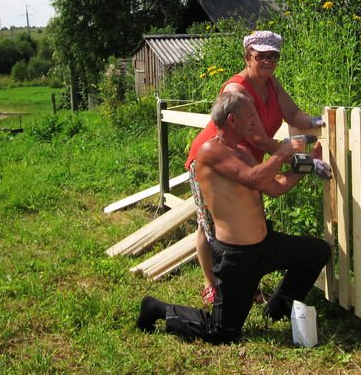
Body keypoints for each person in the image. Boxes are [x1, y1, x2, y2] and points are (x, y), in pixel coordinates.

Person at [136, 91, 331, 343]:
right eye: (250, 115)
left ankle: (276, 310)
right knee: (222, 333)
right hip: (237, 257)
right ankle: (156, 308)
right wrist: (283, 152)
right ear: (232, 120)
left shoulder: (241, 151)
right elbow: (254, 178)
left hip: (265, 245)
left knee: (317, 252)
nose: (254, 120)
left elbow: (273, 187)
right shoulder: (210, 151)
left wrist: (308, 164)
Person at [184, 30, 326, 306]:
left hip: (247, 163)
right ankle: (212, 285)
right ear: (248, 56)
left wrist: (319, 120)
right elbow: (257, 138)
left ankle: (244, 283)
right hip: (214, 162)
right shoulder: (236, 89)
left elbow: (293, 114)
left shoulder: (271, 84)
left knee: (247, 223)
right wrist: (300, 160)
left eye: (274, 56)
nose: (268, 61)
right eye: (262, 56)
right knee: (210, 224)